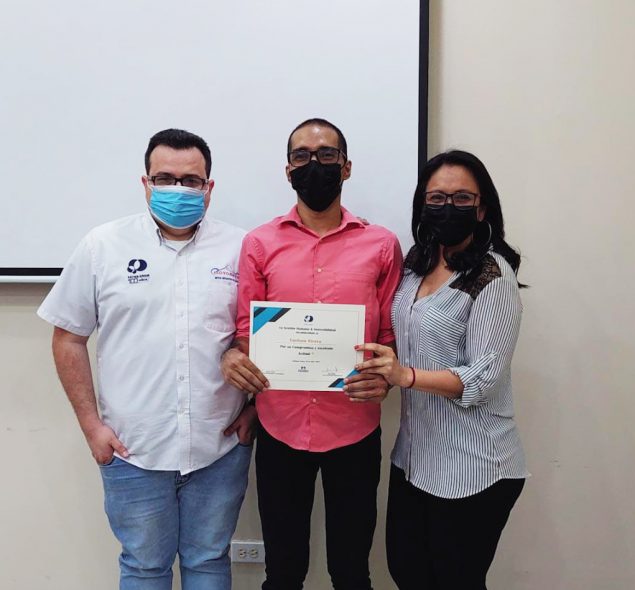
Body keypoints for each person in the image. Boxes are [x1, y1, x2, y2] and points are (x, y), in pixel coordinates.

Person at [37, 129, 255, 590]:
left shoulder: (242, 248)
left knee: (209, 561)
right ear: (145, 183)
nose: (178, 189)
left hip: (218, 448)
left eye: (190, 181)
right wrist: (91, 427)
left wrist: (255, 409)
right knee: (143, 567)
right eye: (165, 178)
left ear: (209, 188)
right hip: (133, 449)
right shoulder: (102, 246)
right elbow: (68, 338)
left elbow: (261, 336)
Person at [220, 118, 403, 590]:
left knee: (351, 571)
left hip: (354, 425)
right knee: (283, 572)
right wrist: (238, 360)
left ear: (346, 167)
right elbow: (246, 330)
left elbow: (389, 333)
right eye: (301, 155)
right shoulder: (259, 243)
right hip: (279, 424)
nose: (314, 163)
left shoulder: (381, 244)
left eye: (326, 155)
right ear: (288, 170)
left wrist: (383, 377)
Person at [356, 150, 529, 590]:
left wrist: (405, 377)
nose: (448, 207)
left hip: (473, 465)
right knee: (407, 573)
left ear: (482, 209)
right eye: (437, 198)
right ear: (422, 204)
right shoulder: (417, 265)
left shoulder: (493, 276)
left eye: (462, 198)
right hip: (414, 458)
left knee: (455, 581)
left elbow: (484, 378)